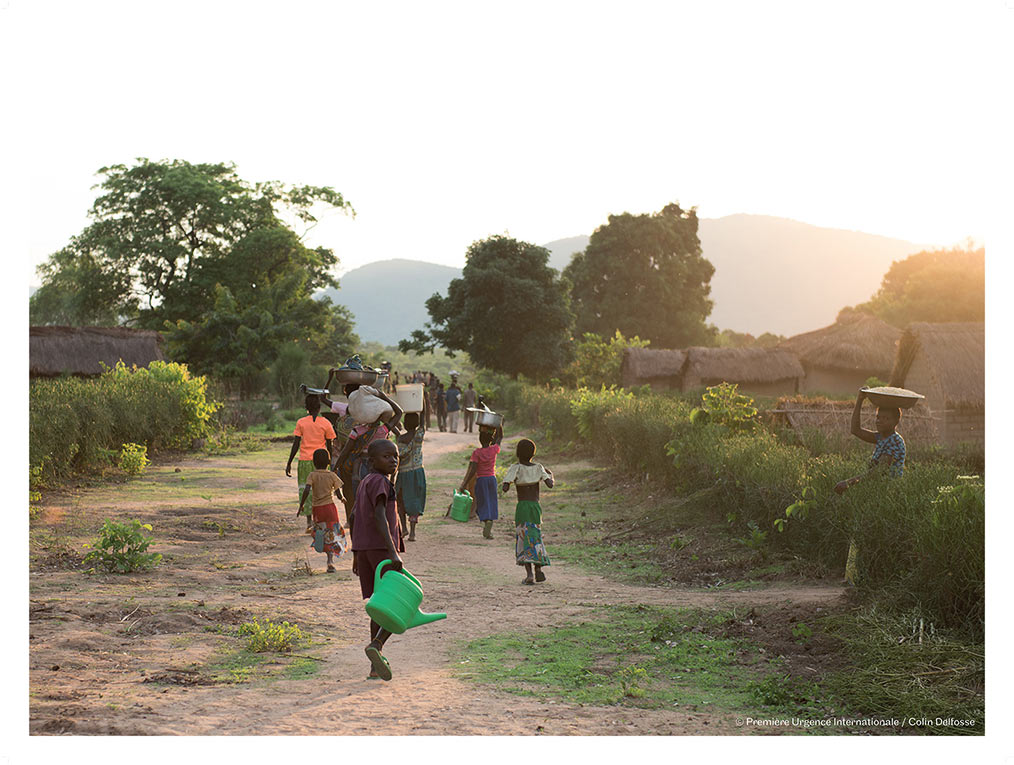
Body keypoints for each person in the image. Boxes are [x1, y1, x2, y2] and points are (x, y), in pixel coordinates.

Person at [834, 389, 906, 584]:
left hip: (887, 495)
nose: (878, 421)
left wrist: (848, 483)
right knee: (860, 532)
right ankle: (854, 577)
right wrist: (859, 400)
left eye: (884, 418)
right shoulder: (881, 438)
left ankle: (870, 578)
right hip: (876, 494)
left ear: (894, 422)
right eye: (877, 417)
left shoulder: (895, 442)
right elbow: (855, 430)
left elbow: (878, 473)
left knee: (871, 534)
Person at [349, 439, 404, 681]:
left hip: (365, 551)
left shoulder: (364, 483)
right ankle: (377, 645)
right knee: (398, 606)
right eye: (386, 456)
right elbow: (380, 517)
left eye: (395, 456)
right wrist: (393, 552)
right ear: (372, 461)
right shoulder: (381, 482)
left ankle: (374, 663)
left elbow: (353, 516)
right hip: (381, 551)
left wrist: (356, 552)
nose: (392, 460)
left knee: (378, 606)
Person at [502, 438, 554, 585]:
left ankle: (529, 574)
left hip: (522, 507)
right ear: (533, 453)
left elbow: (505, 487)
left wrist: (508, 483)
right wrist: (551, 475)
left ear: (518, 453)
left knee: (523, 538)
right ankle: (538, 569)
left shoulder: (515, 468)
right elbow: (550, 484)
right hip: (535, 507)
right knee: (535, 536)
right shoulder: (539, 467)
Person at [286, 394, 336, 534]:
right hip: (321, 463)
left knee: (306, 490)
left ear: (306, 408)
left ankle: (309, 522)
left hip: (305, 461)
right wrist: (331, 463)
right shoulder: (326, 423)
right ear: (320, 407)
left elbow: (296, 443)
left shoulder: (301, 422)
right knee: (322, 491)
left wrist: (289, 462)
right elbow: (330, 445)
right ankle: (319, 521)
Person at [297, 448, 347, 573]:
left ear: (314, 462)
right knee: (332, 532)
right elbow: (337, 491)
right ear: (329, 462)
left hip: (318, 509)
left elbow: (307, 490)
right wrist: (342, 498)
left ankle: (321, 546)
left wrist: (301, 505)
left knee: (321, 531)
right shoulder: (331, 475)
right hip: (330, 508)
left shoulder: (312, 475)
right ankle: (330, 561)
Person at [458, 424, 504, 539]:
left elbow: (473, 470)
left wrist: (464, 484)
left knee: (481, 503)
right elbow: (500, 437)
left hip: (481, 480)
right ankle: (490, 522)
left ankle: (485, 519)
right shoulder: (494, 450)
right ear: (491, 439)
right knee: (491, 501)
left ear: (479, 439)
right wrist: (499, 425)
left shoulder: (477, 453)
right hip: (492, 480)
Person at [395, 412, 426, 542]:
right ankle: (412, 532)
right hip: (417, 473)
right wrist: (423, 400)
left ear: (405, 424)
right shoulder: (419, 435)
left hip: (403, 473)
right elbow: (424, 419)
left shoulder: (400, 439)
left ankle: (404, 528)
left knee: (400, 500)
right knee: (414, 501)